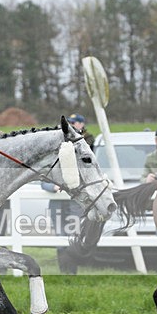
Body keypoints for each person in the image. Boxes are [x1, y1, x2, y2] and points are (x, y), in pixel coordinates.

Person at [43, 113, 90, 274]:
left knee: (73, 234)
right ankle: (64, 271)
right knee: (59, 235)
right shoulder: (54, 158)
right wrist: (54, 187)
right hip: (57, 203)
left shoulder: (80, 153)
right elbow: (44, 182)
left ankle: (72, 271)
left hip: (74, 202)